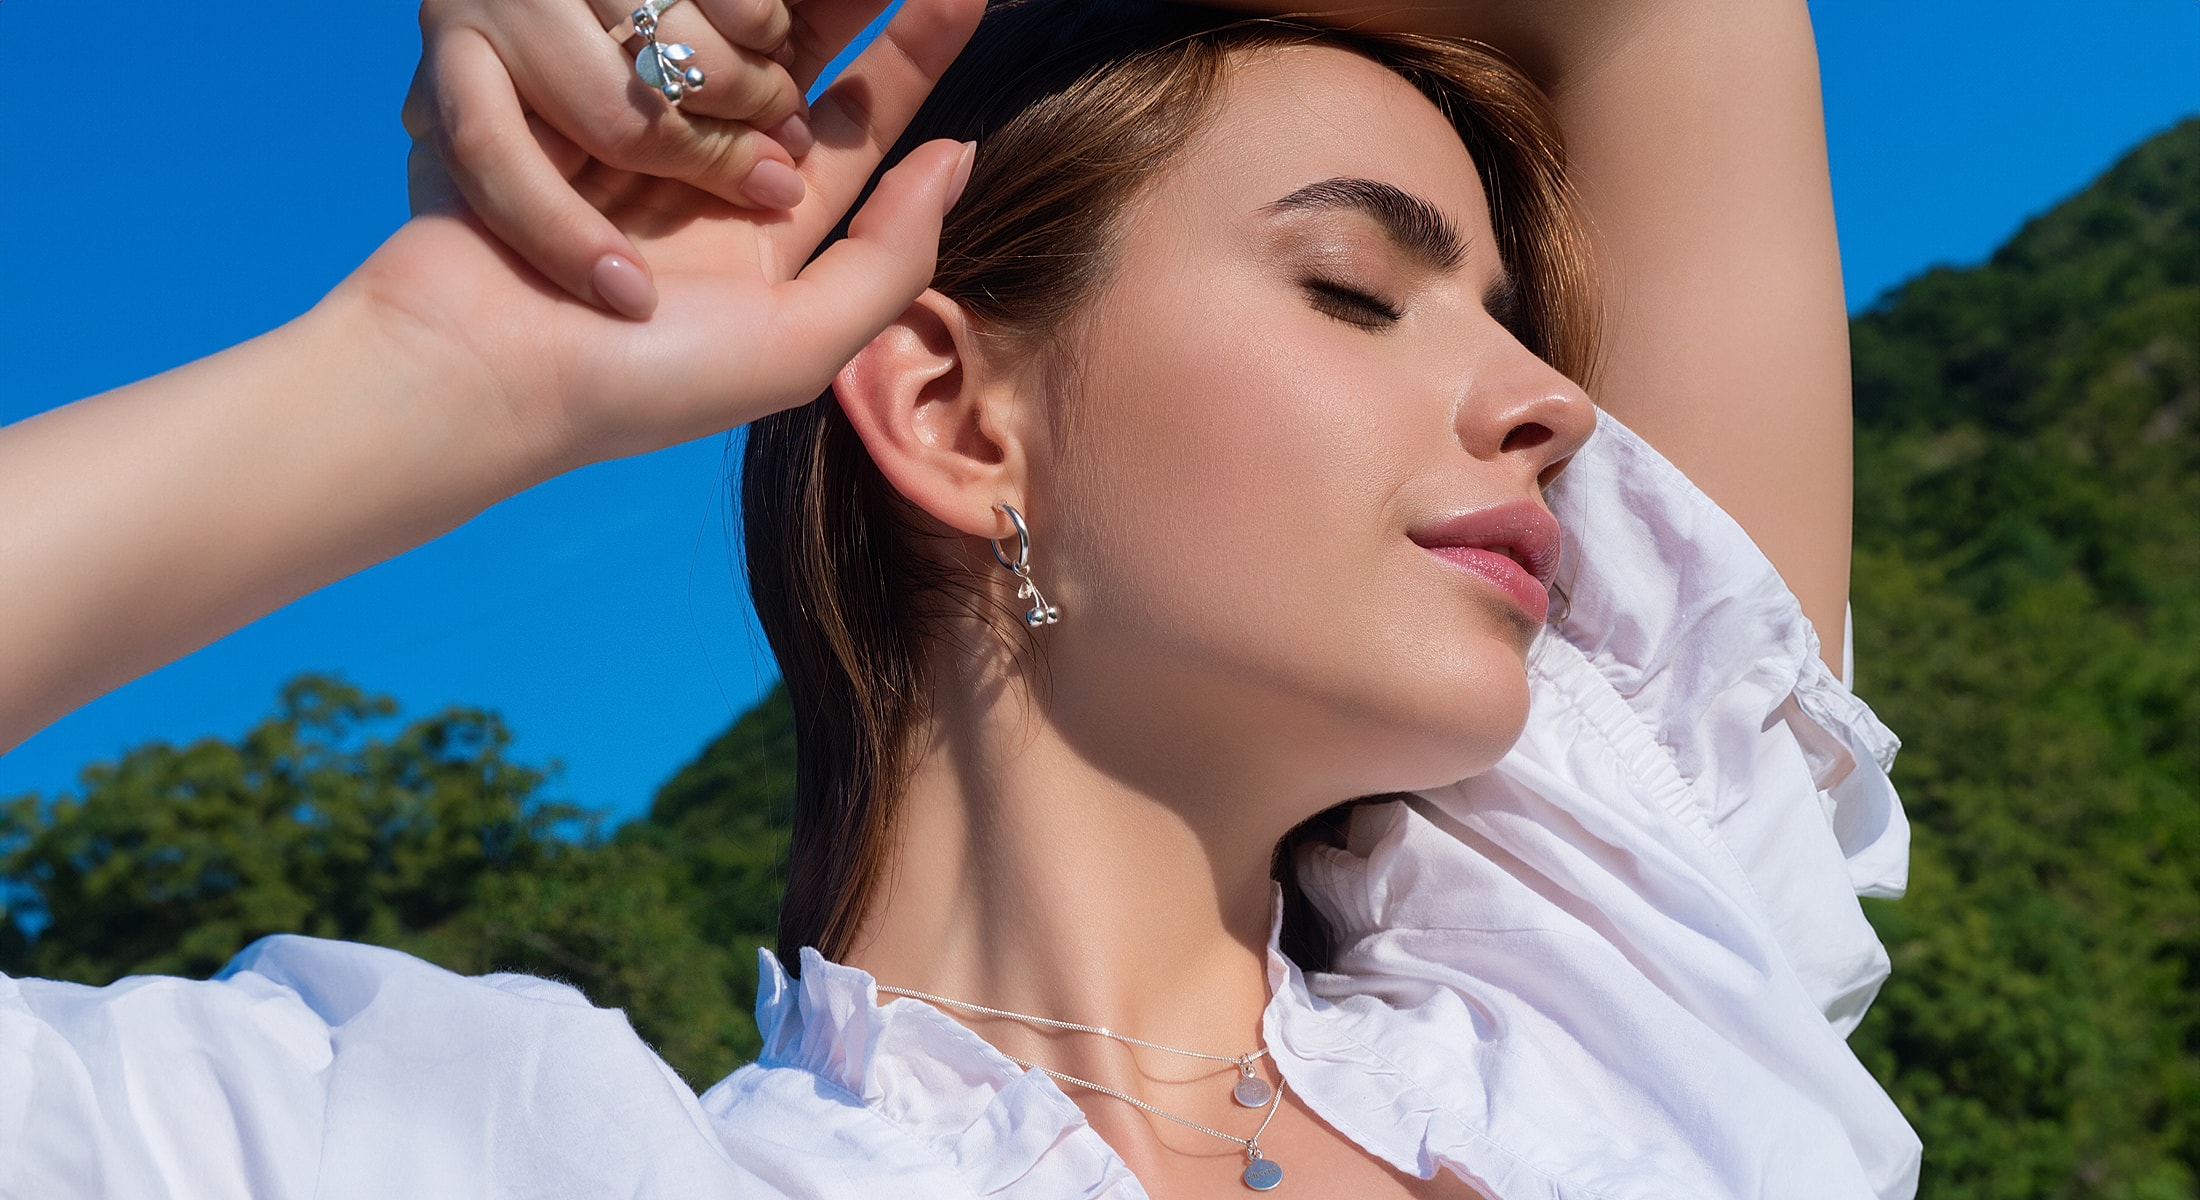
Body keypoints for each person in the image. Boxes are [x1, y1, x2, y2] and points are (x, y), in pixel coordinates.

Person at [0, 0, 1919, 1196]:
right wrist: (445, 373)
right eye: (1355, 289)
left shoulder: (1609, 968)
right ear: (950, 413)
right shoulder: (479, 1153)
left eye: (1502, 315)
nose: (1552, 402)